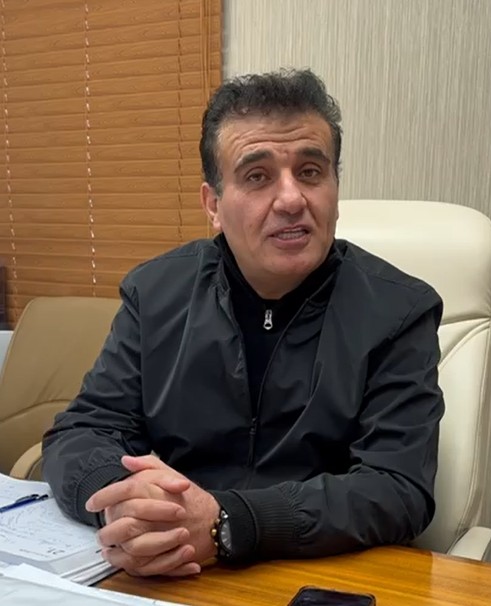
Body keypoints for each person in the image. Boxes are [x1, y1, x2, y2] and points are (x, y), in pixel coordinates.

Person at [42, 69, 444, 578]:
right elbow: (84, 430)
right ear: (213, 205)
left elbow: (397, 487)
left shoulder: (398, 310)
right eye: (257, 176)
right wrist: (120, 501)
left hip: (319, 573)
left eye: (311, 172)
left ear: (335, 189)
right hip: (174, 571)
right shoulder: (156, 293)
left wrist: (227, 523)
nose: (292, 199)